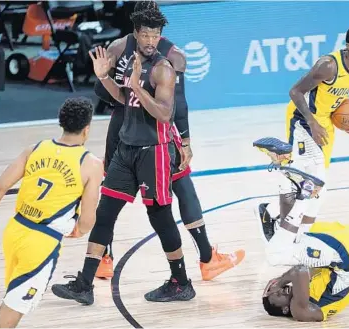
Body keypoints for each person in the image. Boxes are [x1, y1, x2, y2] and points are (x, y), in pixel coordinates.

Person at [52, 6, 196, 304]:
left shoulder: (162, 68)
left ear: (160, 36)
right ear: (136, 33)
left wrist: (137, 88)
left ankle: (181, 281)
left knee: (160, 216)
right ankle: (84, 284)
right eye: (145, 34)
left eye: (155, 35)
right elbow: (122, 98)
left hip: (153, 153)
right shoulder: (131, 61)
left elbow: (165, 114)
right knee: (105, 213)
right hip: (126, 150)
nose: (150, 40)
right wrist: (106, 78)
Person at [94, 0, 244, 281]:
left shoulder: (116, 47)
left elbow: (100, 91)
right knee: (182, 189)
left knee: (110, 197)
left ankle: (104, 259)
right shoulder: (173, 55)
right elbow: (179, 106)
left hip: (120, 128)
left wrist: (128, 98)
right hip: (154, 136)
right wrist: (185, 141)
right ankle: (206, 259)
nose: (151, 38)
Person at [256, 25, 349, 243]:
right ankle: (295, 236)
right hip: (303, 119)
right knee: (313, 182)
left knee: (315, 181)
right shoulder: (328, 66)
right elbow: (295, 91)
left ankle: (271, 212)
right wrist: (311, 122)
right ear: (348, 47)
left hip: (326, 120)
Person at [0, 98, 103, 328]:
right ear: (87, 128)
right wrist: (79, 230)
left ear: (61, 123)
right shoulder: (90, 163)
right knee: (15, 306)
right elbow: (88, 218)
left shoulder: (35, 148)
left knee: (12, 297)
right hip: (41, 243)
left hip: (15, 231)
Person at [262, 220, 349, 322]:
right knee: (276, 253)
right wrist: (280, 281)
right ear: (285, 309)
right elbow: (299, 270)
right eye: (276, 295)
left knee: (299, 230)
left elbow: (303, 267)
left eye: (276, 289)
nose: (279, 289)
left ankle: (282, 213)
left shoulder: (308, 288)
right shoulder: (299, 311)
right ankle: (276, 219)